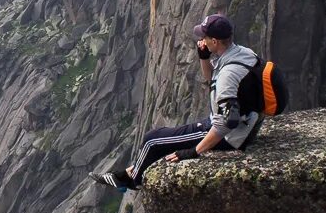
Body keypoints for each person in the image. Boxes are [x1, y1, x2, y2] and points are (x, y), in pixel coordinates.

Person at [95, 13, 261, 192]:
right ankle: (129, 172)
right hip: (236, 123)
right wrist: (204, 57)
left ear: (214, 41)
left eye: (204, 37)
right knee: (159, 135)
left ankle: (132, 181)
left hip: (231, 136)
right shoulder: (242, 53)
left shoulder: (229, 72)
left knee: (152, 141)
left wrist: (194, 152)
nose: (201, 39)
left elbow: (228, 121)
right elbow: (212, 79)